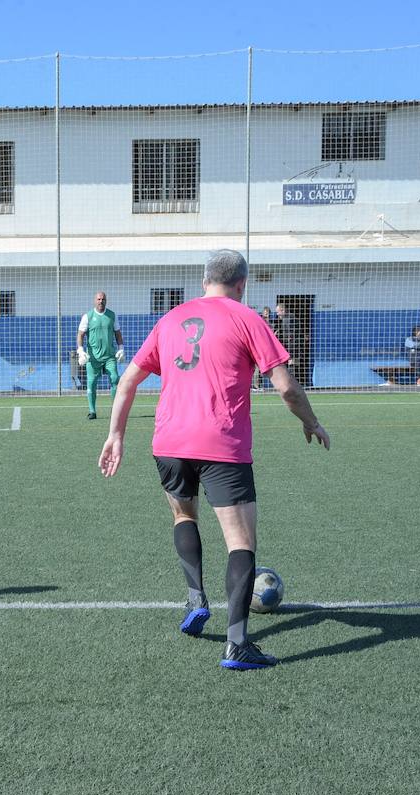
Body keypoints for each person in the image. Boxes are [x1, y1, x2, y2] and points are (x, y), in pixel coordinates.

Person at [98, 250, 330, 671]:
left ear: (203, 281)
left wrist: (115, 435)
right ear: (242, 283)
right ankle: (237, 644)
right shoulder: (247, 318)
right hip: (221, 445)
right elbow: (285, 388)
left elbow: (129, 379)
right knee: (241, 542)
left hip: (168, 443)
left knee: (184, 517)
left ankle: (195, 598)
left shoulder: (170, 320)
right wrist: (312, 422)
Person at [77, 291, 124, 420]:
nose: (100, 301)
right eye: (98, 299)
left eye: (103, 299)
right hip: (93, 358)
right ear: (94, 301)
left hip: (109, 357)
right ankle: (92, 411)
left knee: (115, 379)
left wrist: (121, 349)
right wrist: (81, 351)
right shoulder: (88, 316)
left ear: (106, 300)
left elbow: (118, 333)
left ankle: (115, 410)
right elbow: (80, 334)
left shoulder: (112, 315)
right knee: (91, 383)